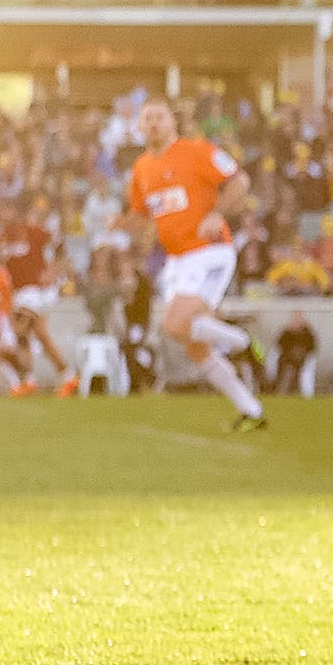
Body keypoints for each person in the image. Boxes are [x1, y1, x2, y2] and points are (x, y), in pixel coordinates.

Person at [125, 100, 266, 432]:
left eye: (160, 117)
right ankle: (251, 410)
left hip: (209, 253)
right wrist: (126, 232)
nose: (154, 123)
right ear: (140, 127)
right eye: (148, 119)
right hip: (177, 261)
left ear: (173, 123)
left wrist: (219, 213)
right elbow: (143, 215)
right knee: (194, 345)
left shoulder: (196, 151)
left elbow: (239, 181)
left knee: (175, 324)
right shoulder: (142, 168)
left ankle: (242, 342)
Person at [0, 196, 75, 394]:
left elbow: (60, 245)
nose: (3, 214)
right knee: (36, 336)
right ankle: (64, 375)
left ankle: (30, 377)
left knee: (20, 329)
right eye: (0, 210)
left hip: (36, 291)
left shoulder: (31, 232)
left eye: (6, 209)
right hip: (17, 294)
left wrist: (53, 270)